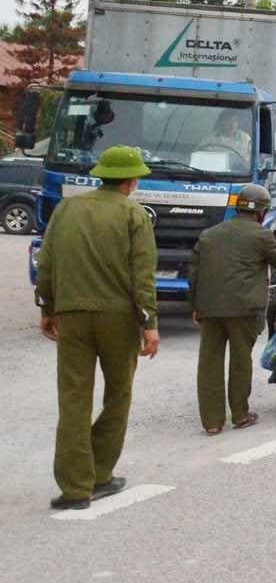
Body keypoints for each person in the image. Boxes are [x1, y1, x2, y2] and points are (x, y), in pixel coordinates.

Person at [33, 146, 159, 511]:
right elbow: (142, 276)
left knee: (73, 399)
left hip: (72, 315)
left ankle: (74, 489)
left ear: (100, 175)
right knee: (117, 395)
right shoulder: (134, 214)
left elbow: (47, 262)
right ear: (132, 181)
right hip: (118, 318)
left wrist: (49, 307)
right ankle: (101, 474)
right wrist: (149, 323)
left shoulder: (67, 208)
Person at [189, 183, 276, 435]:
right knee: (240, 361)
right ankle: (239, 415)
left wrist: (195, 305)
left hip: (210, 309)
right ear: (262, 211)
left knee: (209, 364)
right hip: (245, 310)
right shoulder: (261, 235)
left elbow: (193, 273)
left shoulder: (209, 234)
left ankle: (212, 423)